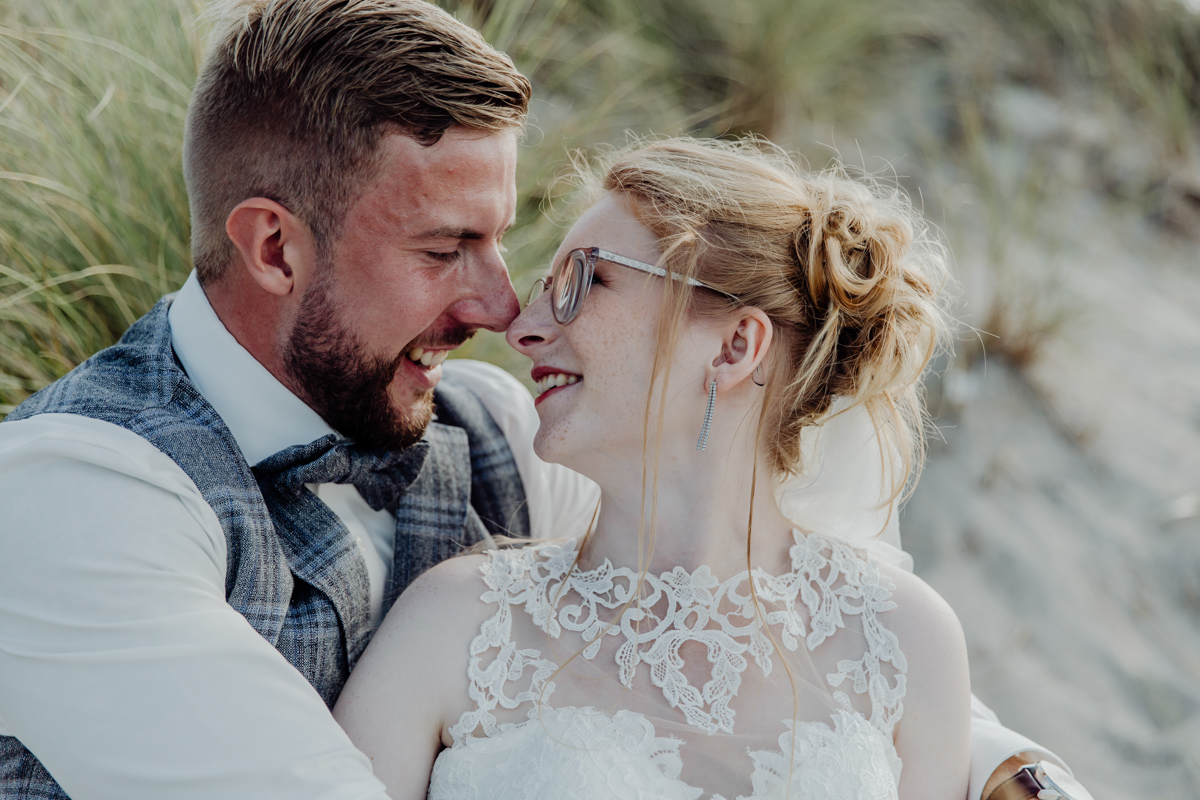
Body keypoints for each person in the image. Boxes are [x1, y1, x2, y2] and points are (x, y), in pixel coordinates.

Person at [0, 2, 1088, 799]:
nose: (503, 302)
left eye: (513, 244)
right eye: (446, 247)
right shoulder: (69, 498)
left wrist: (1010, 770)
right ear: (274, 245)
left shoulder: (498, 431)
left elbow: (769, 601)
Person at [333, 137, 1090, 800]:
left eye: (583, 281)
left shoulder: (909, 644)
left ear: (734, 347)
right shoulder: (454, 627)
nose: (524, 328)